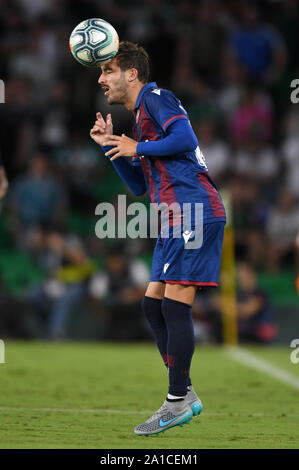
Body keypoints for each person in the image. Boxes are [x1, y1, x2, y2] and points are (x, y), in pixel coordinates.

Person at [90, 41, 226, 436]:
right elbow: (137, 185)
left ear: (132, 74)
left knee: (175, 306)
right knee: (153, 306)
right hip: (172, 216)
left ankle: (176, 400)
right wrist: (112, 148)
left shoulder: (156, 98)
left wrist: (138, 146)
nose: (101, 79)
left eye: (108, 71)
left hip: (193, 209)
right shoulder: (139, 122)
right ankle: (184, 391)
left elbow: (186, 139)